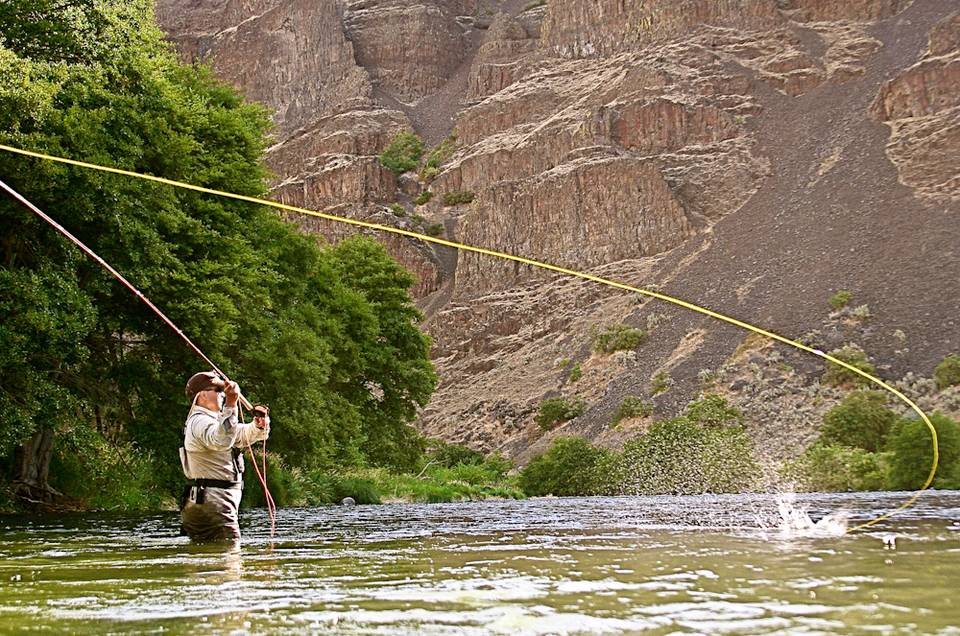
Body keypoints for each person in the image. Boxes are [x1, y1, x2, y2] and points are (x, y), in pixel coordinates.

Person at [179, 371, 270, 543]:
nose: (222, 394)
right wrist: (231, 403)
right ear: (202, 395)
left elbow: (238, 435)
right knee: (228, 561)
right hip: (214, 504)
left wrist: (258, 426)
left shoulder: (212, 422)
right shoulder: (200, 421)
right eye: (218, 390)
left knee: (207, 564)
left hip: (209, 503)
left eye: (223, 391)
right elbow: (222, 441)